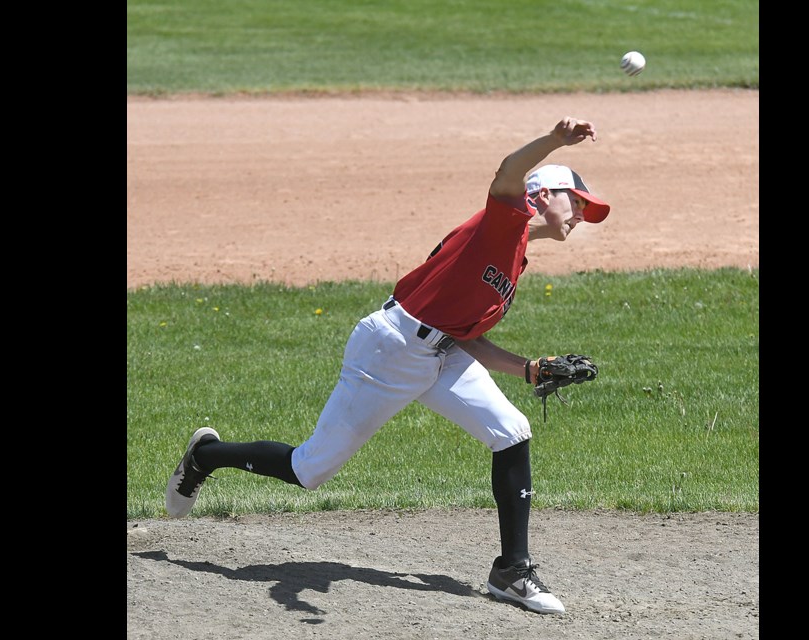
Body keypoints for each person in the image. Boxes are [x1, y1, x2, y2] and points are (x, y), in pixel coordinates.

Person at [165, 116, 611, 614]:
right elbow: (508, 171)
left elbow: (466, 338)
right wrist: (554, 141)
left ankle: (512, 570)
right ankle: (207, 456)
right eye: (578, 202)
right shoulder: (502, 221)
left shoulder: (517, 255)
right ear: (544, 194)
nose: (581, 215)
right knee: (310, 469)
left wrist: (528, 368)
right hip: (388, 352)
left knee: (511, 430)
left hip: (437, 355)